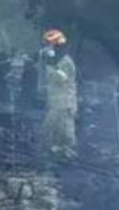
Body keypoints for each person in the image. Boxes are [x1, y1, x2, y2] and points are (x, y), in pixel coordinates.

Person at [40, 29, 78, 159]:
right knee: (53, 127)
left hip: (65, 101)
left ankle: (67, 152)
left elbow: (61, 78)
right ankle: (54, 150)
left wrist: (49, 66)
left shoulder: (65, 62)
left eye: (49, 45)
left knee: (64, 128)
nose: (47, 48)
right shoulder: (57, 61)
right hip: (56, 100)